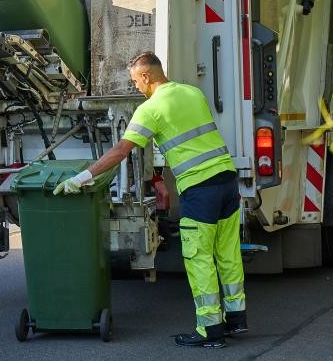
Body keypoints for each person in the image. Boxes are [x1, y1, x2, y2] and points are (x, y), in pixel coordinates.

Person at [54, 52, 246, 348]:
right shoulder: (193, 93)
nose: (136, 87)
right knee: (228, 252)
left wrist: (82, 178)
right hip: (227, 180)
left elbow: (121, 151)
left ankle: (211, 330)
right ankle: (236, 319)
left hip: (199, 189)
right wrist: (158, 178)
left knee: (199, 258)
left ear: (145, 77)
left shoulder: (149, 109)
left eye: (135, 81)